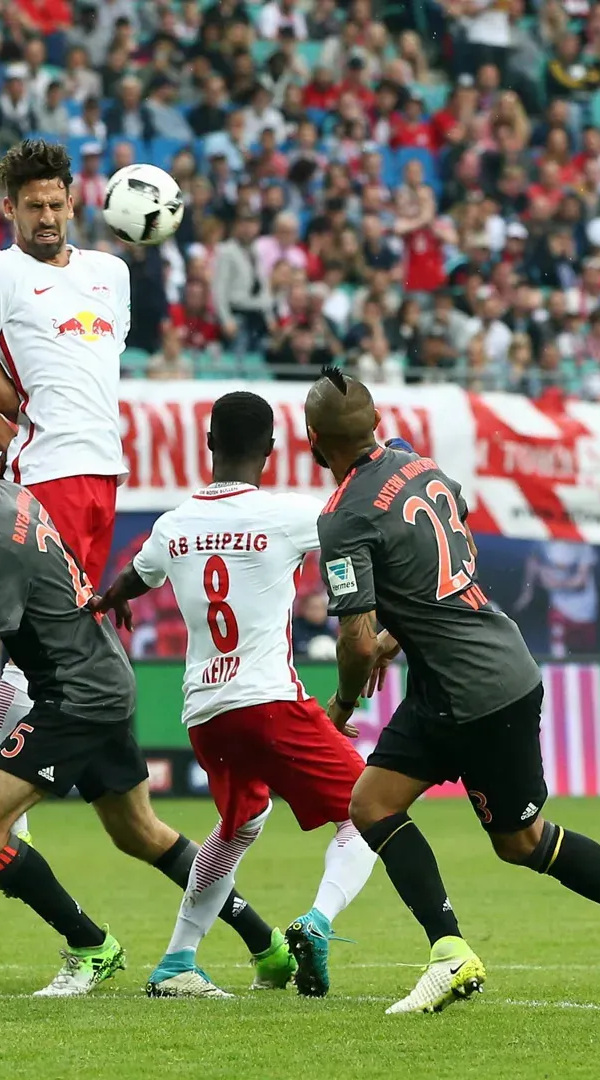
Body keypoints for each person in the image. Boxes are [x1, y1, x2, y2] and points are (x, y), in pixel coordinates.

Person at [307, 368, 600, 1015]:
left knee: (516, 840)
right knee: (375, 805)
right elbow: (453, 539)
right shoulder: (419, 465)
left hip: (473, 692)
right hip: (471, 676)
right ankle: (456, 951)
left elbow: (353, 640)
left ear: (313, 439)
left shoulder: (343, 515)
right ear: (374, 424)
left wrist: (344, 703)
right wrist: (400, 636)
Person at [0, 400, 282, 996]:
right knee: (140, 832)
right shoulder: (14, 497)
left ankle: (90, 946)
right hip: (107, 676)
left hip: (75, 695)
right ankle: (268, 943)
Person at [92, 392, 379, 999]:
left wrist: (110, 598)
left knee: (240, 822)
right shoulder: (289, 515)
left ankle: (177, 961)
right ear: (271, 453)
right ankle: (319, 923)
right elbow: (355, 528)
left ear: (209, 446)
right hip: (269, 701)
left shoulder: (173, 524)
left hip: (205, 713)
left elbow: (135, 579)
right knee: (369, 814)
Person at [0, 142, 129, 867]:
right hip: (46, 477)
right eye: (33, 206)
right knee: (30, 652)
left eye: (56, 204)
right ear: (8, 208)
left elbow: (77, 374)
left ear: (73, 203)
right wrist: (10, 435)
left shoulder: (110, 274)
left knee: (72, 643)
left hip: (103, 475)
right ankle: (2, 817)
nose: (46, 217)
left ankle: (91, 789)